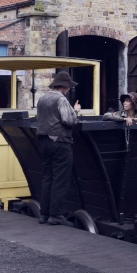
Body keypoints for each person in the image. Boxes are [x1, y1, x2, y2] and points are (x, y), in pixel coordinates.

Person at [36, 71, 81, 225]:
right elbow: (68, 120)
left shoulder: (42, 99)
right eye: (68, 87)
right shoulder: (61, 99)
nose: (68, 90)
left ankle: (44, 214)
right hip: (60, 142)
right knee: (60, 179)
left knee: (47, 177)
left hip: (43, 142)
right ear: (64, 86)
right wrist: (76, 111)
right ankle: (55, 215)